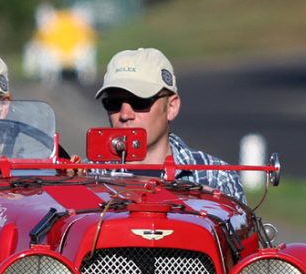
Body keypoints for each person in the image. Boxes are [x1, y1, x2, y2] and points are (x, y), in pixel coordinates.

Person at [94, 47, 246, 203]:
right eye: (113, 103)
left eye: (139, 102)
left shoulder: (217, 177)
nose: (125, 115)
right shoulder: (85, 176)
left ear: (171, 107)